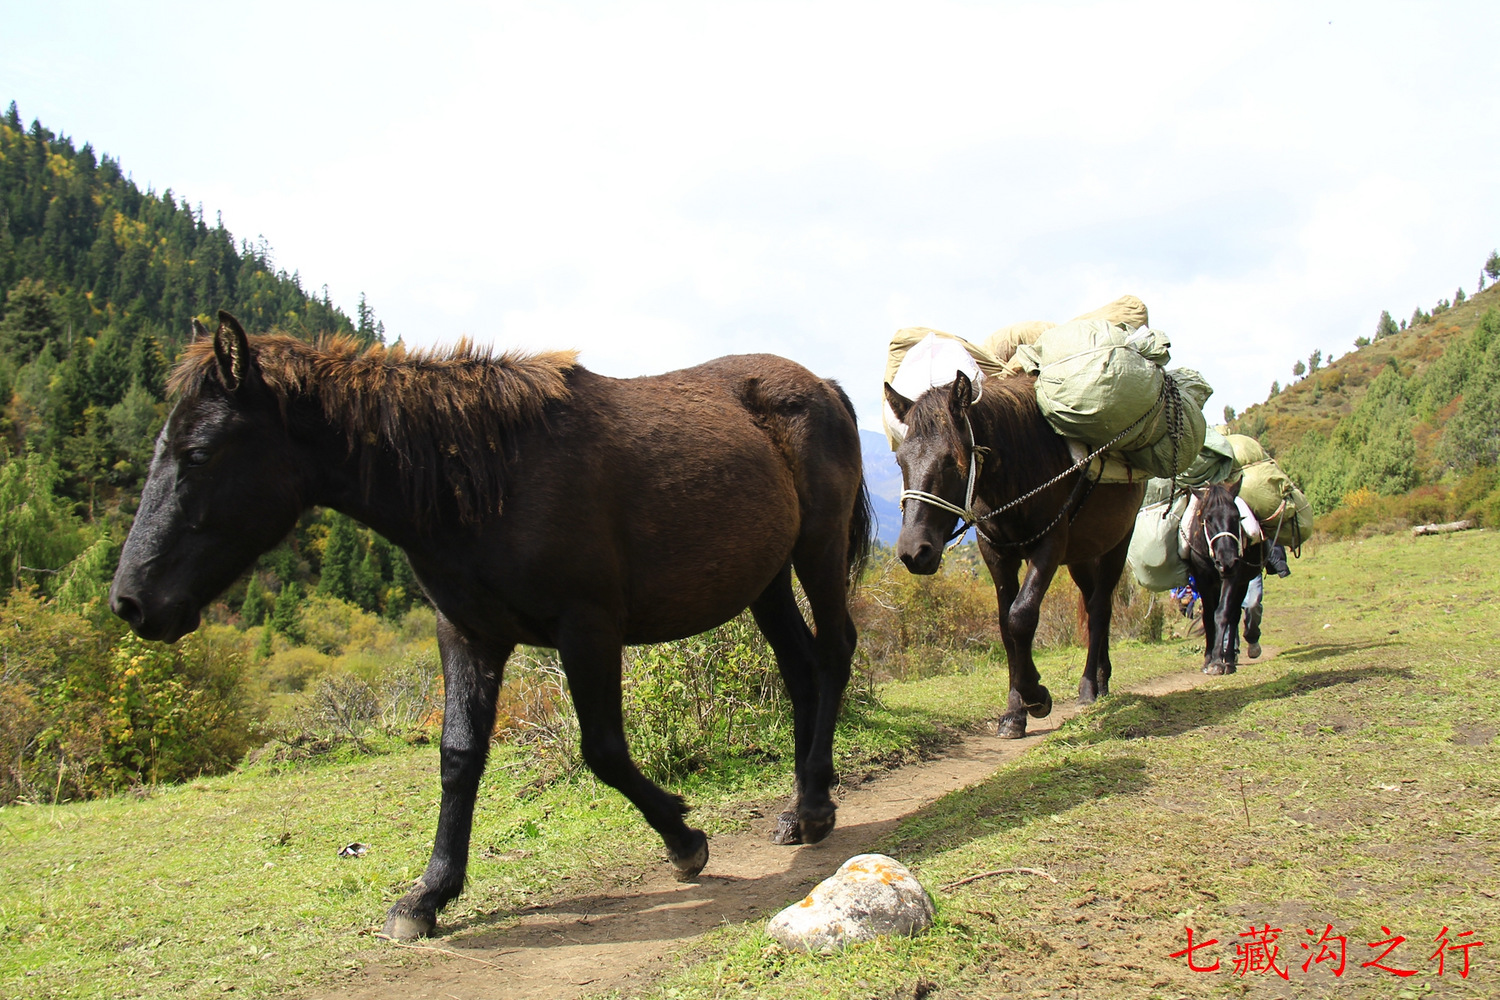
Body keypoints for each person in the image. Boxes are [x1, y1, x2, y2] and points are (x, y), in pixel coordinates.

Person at [1241, 543, 1290, 658]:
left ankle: (1252, 638)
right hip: (1228, 570)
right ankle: (1230, 649)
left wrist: (1278, 562)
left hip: (1251, 567)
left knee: (1253, 604)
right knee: (1228, 609)